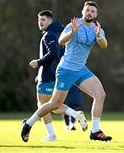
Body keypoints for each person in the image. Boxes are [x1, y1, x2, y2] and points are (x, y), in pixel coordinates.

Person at [21, 1, 112, 142]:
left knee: (100, 95)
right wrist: (73, 32)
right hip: (66, 69)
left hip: (81, 69)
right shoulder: (73, 25)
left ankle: (95, 131)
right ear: (83, 11)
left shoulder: (97, 29)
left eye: (93, 11)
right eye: (87, 10)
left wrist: (99, 36)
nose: (90, 13)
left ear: (96, 14)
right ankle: (29, 123)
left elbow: (104, 45)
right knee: (55, 105)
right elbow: (61, 42)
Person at [27, 10, 87, 142]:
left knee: (43, 105)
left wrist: (39, 63)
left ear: (50, 21)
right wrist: (40, 71)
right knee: (53, 105)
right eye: (39, 20)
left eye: (43, 20)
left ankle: (51, 135)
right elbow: (59, 55)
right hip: (57, 74)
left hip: (48, 76)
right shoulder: (58, 32)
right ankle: (75, 114)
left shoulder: (49, 35)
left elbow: (53, 53)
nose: (40, 22)